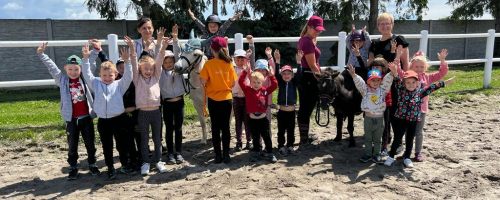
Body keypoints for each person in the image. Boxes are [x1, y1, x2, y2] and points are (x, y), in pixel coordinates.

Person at [37, 42, 99, 180]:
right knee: (72, 145)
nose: (73, 72)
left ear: (81, 69)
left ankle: (92, 164)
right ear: (65, 68)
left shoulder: (85, 79)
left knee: (90, 142)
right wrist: (42, 54)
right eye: (70, 69)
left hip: (86, 118)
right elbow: (52, 68)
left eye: (76, 69)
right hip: (71, 120)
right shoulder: (62, 80)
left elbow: (91, 64)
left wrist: (95, 51)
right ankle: (73, 167)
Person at [81, 41, 133, 180]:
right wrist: (85, 60)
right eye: (104, 76)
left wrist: (127, 62)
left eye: (110, 75)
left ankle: (124, 164)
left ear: (115, 75)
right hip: (104, 121)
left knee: (122, 145)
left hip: (118, 120)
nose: (107, 78)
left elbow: (128, 77)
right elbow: (86, 74)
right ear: (100, 75)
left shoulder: (119, 85)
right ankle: (110, 167)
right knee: (107, 146)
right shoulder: (95, 83)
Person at [384, 67, 455, 168]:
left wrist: (445, 82)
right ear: (404, 83)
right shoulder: (401, 89)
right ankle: (391, 157)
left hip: (413, 120)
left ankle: (407, 158)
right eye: (408, 82)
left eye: (413, 82)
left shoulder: (420, 92)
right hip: (401, 119)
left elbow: (432, 87)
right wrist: (395, 73)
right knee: (397, 138)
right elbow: (397, 80)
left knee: (410, 139)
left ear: (417, 83)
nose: (411, 84)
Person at [368, 13, 410, 155]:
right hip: (378, 83)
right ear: (378, 26)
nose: (385, 26)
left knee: (394, 113)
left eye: (387, 23)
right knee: (382, 112)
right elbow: (370, 62)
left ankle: (398, 142)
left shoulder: (398, 40)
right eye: (382, 24)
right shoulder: (374, 43)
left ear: (392, 24)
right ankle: (385, 140)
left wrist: (405, 79)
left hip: (395, 82)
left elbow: (405, 62)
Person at [400, 48, 450, 162]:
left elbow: (442, 73)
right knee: (408, 132)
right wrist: (398, 59)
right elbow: (398, 72)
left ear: (426, 67)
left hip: (421, 110)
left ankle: (418, 152)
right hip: (408, 110)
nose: (419, 69)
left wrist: (442, 61)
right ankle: (407, 151)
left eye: (422, 67)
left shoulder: (429, 77)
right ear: (412, 66)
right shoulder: (408, 76)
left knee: (419, 132)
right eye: (416, 67)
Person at [132, 32, 170, 175]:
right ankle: (146, 163)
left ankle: (159, 161)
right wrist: (131, 48)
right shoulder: (137, 79)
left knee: (157, 138)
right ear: (140, 69)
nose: (148, 71)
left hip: (155, 113)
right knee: (144, 139)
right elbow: (134, 63)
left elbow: (159, 60)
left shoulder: (156, 76)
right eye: (145, 68)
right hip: (142, 113)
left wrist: (163, 47)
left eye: (151, 68)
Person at [349, 62, 397, 164]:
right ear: (368, 81)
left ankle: (377, 154)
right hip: (368, 119)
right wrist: (354, 75)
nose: (375, 82)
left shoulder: (383, 90)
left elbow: (387, 81)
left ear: (380, 81)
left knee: (377, 139)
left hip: (379, 119)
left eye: (377, 80)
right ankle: (367, 154)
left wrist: (392, 73)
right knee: (368, 138)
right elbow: (359, 83)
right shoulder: (365, 90)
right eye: (373, 80)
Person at [199, 37, 237, 164]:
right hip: (227, 99)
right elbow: (233, 82)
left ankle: (218, 156)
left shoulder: (208, 64)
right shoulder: (229, 64)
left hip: (213, 100)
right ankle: (226, 154)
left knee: (215, 128)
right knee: (226, 128)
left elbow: (202, 81)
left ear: (211, 49)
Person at [238, 61, 278, 163]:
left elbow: (274, 85)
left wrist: (272, 75)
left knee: (266, 137)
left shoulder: (265, 90)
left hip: (263, 120)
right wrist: (245, 71)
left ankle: (270, 153)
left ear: (262, 82)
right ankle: (256, 152)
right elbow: (240, 81)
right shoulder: (247, 90)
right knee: (255, 137)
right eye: (254, 82)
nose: (256, 84)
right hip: (252, 120)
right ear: (250, 82)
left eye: (258, 82)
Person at [160, 24, 187, 165]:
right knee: (169, 129)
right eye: (166, 62)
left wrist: (175, 39)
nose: (169, 63)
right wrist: (163, 47)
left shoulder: (178, 69)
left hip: (180, 102)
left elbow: (178, 54)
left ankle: (179, 152)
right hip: (167, 104)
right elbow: (158, 59)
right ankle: (170, 153)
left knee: (179, 128)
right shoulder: (160, 73)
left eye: (171, 61)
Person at [297, 15, 325, 148]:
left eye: (319, 30)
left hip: (307, 76)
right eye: (316, 29)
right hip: (310, 76)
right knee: (306, 108)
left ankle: (304, 136)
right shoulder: (307, 42)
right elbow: (312, 65)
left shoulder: (305, 39)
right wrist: (320, 79)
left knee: (305, 107)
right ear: (309, 27)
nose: (317, 32)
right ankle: (304, 139)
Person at [274, 49, 303, 156]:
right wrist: (277, 60)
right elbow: (276, 74)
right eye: (284, 73)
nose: (286, 75)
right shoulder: (280, 83)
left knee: (291, 130)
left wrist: (299, 62)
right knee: (281, 130)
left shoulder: (294, 83)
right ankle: (281, 146)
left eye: (289, 73)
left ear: (292, 75)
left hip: (291, 112)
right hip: (281, 112)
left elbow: (300, 74)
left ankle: (290, 145)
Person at [231, 41, 254, 152]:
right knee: (238, 120)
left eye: (242, 59)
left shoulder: (248, 68)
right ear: (234, 60)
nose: (240, 62)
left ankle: (248, 141)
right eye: (238, 60)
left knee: (247, 120)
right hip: (236, 97)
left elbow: (251, 76)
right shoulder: (232, 69)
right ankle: (239, 141)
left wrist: (248, 61)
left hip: (246, 97)